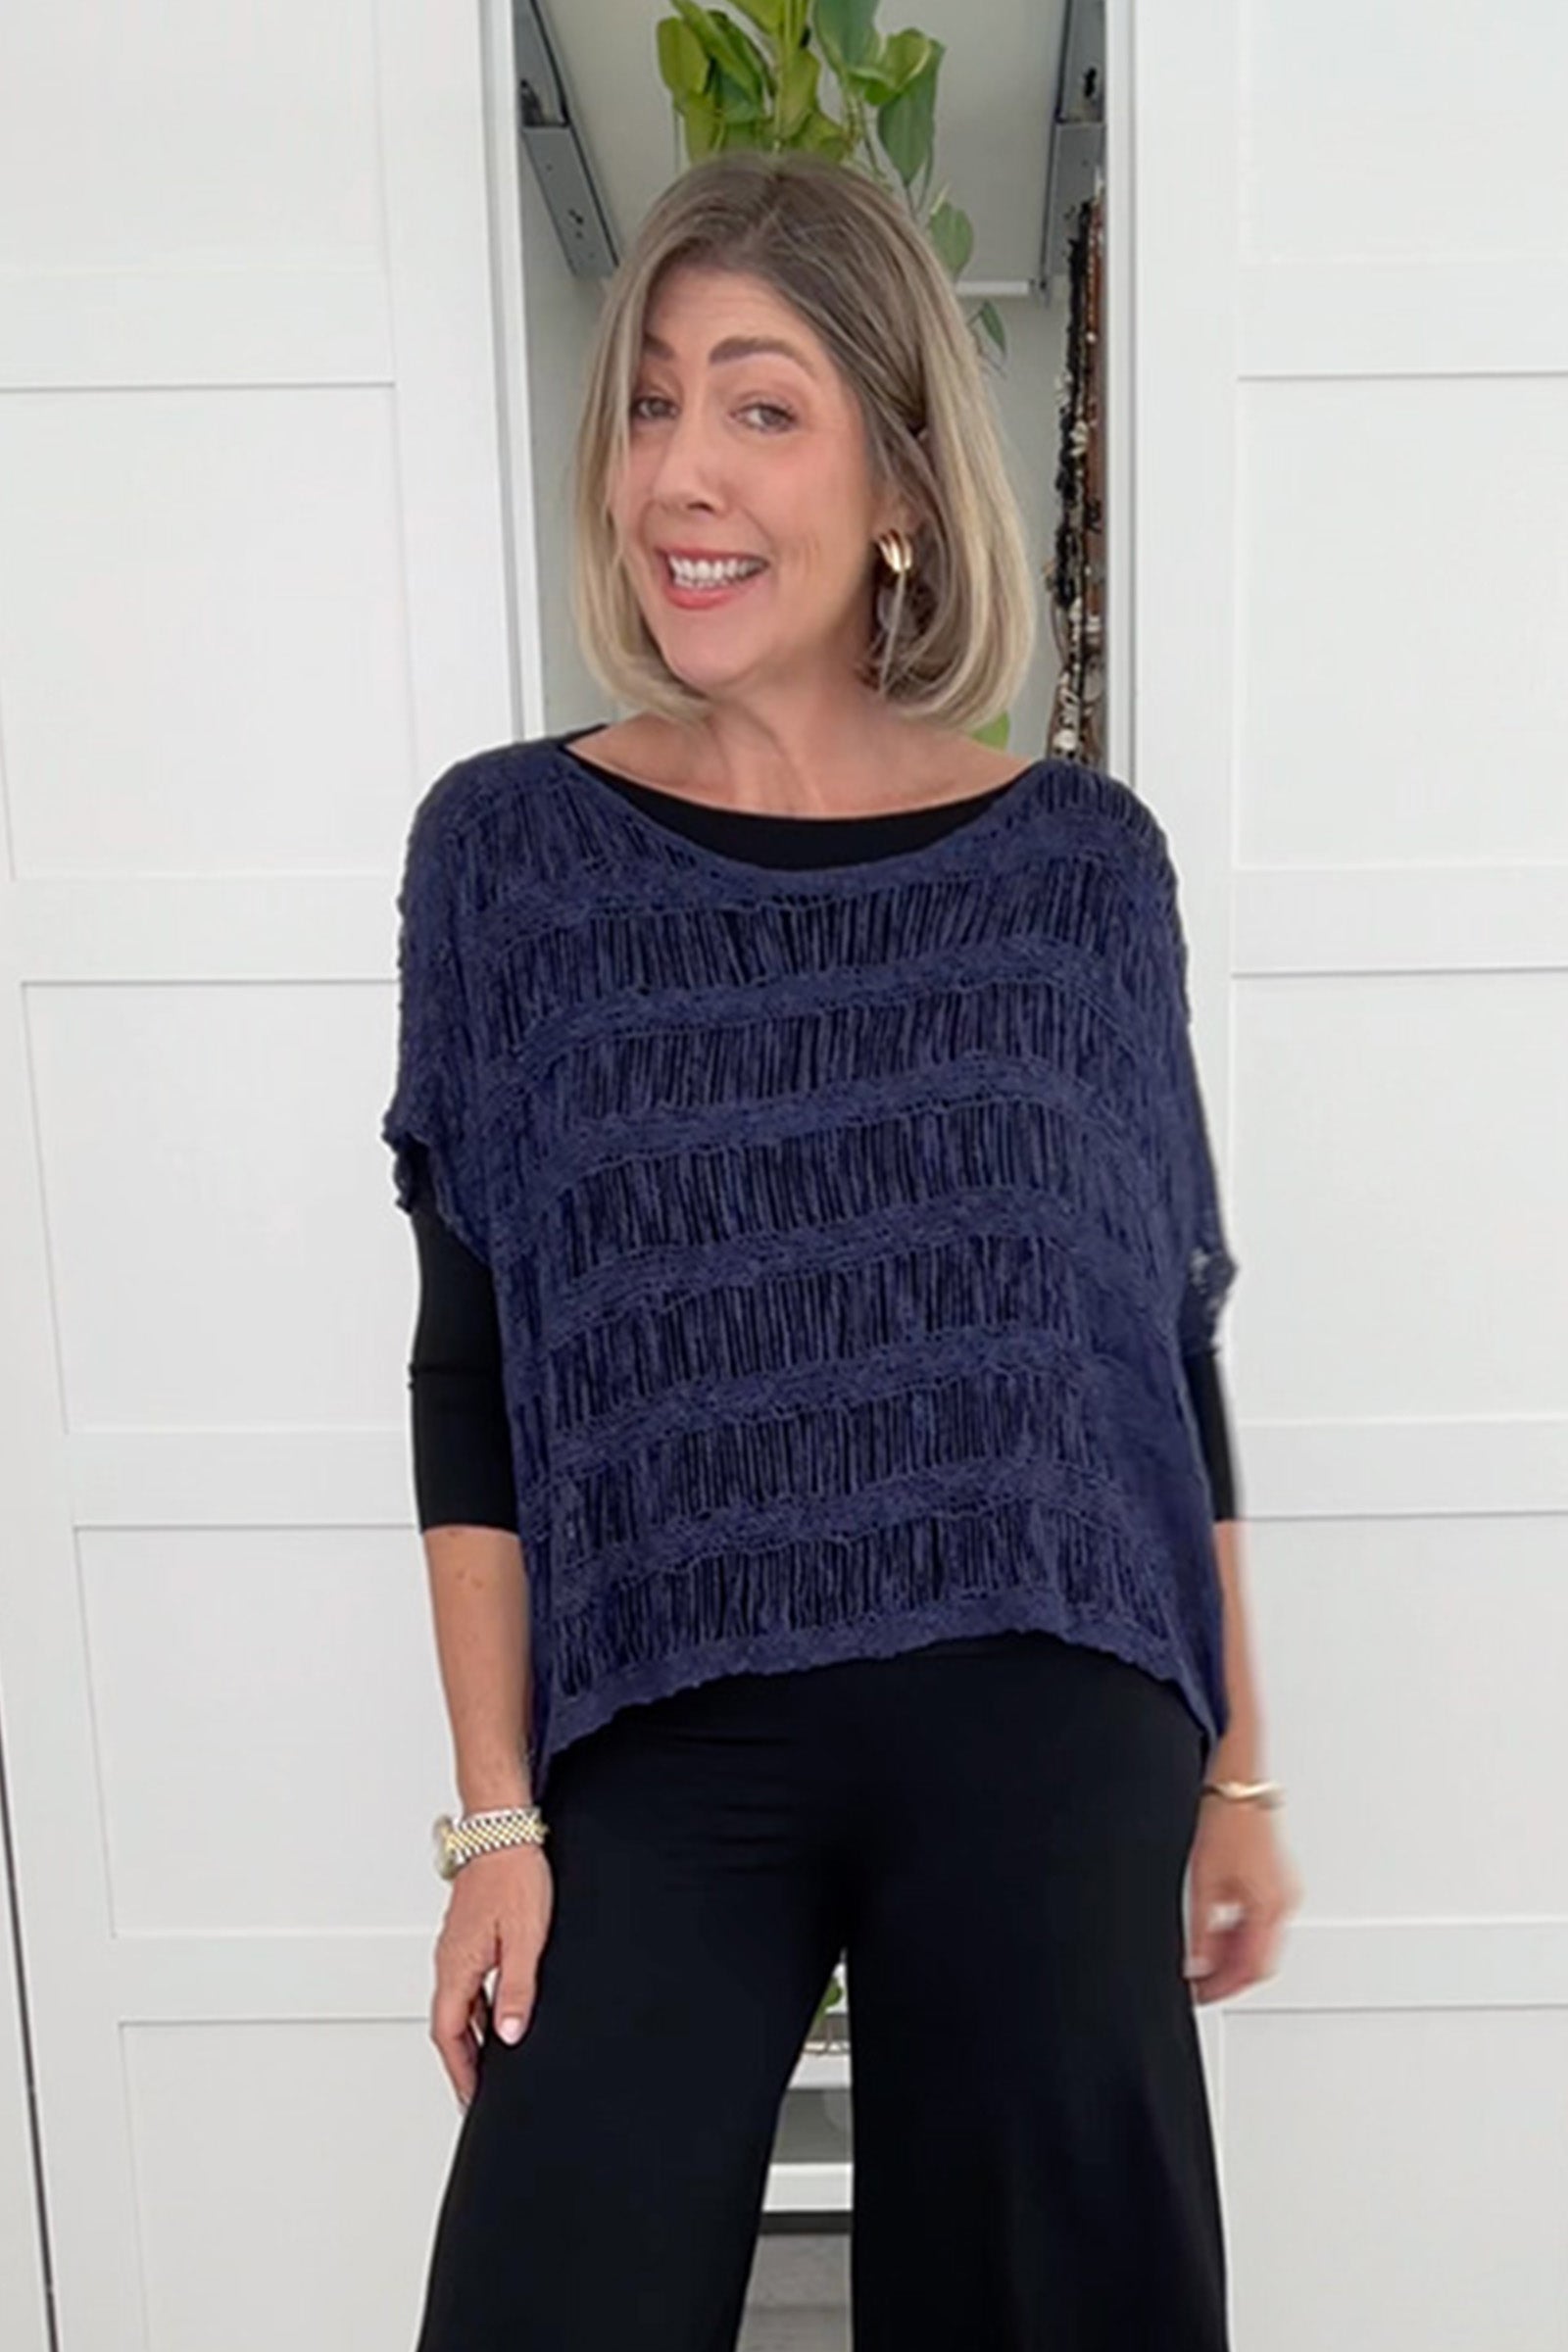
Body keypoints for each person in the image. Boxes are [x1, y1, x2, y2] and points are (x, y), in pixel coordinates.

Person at [383, 148, 1301, 2352]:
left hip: (1045, 1695)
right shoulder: (510, 855)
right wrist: (495, 1824)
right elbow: (470, 1360)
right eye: (650, 402)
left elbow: (1157, 1350)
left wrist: (1241, 1773)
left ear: (897, 479)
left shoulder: (1080, 868)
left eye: (760, 405)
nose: (677, 473)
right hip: (670, 1720)